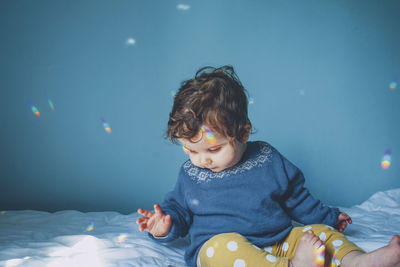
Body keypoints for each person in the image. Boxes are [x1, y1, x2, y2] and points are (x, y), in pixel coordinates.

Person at [136, 65, 400, 267]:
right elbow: (178, 213)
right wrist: (164, 227)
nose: (202, 159)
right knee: (222, 247)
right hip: (218, 248)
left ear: (243, 133)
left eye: (214, 149)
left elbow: (296, 198)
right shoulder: (190, 174)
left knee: (320, 234)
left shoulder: (266, 158)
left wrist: (328, 218)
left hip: (278, 240)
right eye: (191, 150)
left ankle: (357, 261)